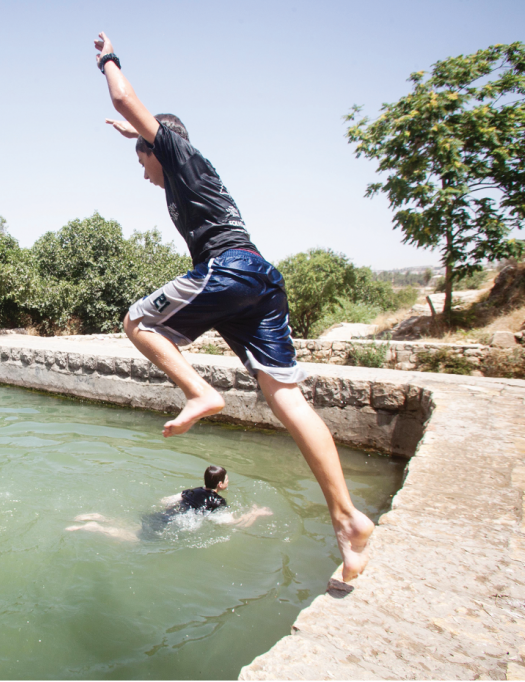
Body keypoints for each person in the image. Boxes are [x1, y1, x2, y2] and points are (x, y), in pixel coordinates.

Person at [93, 32, 373, 581]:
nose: (142, 172)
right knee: (287, 399)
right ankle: (348, 521)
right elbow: (143, 126)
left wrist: (107, 58)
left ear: (158, 147)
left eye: (142, 158)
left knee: (136, 319)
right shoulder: (182, 166)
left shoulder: (183, 156)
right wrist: (135, 132)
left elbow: (127, 100)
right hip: (260, 281)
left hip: (231, 269)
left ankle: (200, 392)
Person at [66, 465, 272, 542]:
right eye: (227, 479)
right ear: (220, 484)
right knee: (133, 538)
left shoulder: (194, 490)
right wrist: (256, 513)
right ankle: (94, 526)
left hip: (166, 514)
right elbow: (232, 524)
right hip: (172, 524)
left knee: (136, 528)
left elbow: (166, 500)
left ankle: (100, 518)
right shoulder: (217, 502)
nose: (228, 482)